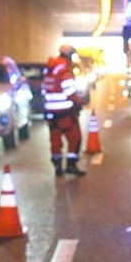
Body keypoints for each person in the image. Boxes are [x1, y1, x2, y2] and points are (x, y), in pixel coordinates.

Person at [41, 43, 87, 175]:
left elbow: (44, 89)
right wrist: (78, 102)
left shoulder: (49, 68)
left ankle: (57, 167)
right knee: (75, 138)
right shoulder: (63, 69)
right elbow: (69, 90)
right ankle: (71, 165)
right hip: (65, 113)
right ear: (69, 55)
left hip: (51, 112)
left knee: (55, 140)